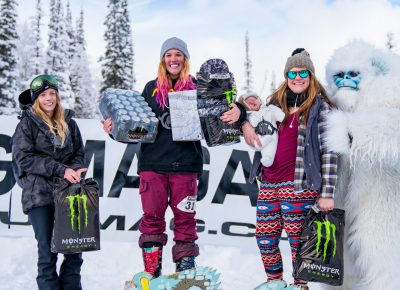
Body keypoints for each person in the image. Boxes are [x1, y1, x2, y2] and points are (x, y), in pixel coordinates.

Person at [102, 37, 245, 277]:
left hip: (185, 166)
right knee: (152, 219)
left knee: (185, 220)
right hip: (153, 166)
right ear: (162, 60)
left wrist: (239, 109)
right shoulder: (151, 88)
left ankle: (185, 271)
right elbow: (137, 127)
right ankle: (152, 271)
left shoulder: (199, 87)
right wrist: (114, 131)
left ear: (185, 59)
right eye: (168, 55)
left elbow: (224, 106)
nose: (173, 59)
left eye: (178, 54)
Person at [242, 49, 338, 290]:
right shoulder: (274, 104)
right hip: (269, 183)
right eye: (292, 73)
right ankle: (274, 282)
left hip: (300, 185)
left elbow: (330, 151)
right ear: (286, 76)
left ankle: (299, 285)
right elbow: (247, 113)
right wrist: (244, 121)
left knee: (298, 241)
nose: (298, 77)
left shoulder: (320, 108)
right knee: (265, 238)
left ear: (311, 75)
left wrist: (327, 191)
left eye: (303, 72)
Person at [12, 74, 87, 290]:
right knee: (48, 252)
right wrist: (60, 169)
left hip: (69, 194)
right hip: (39, 195)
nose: (49, 99)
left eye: (52, 94)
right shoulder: (27, 124)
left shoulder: (69, 123)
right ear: (36, 99)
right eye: (43, 95)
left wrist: (75, 169)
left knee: (75, 251)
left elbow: (79, 153)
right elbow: (24, 158)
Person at [238, 91, 285, 167]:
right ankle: (262, 147)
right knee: (258, 141)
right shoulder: (250, 116)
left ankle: (268, 158)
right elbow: (253, 122)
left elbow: (282, 116)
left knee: (271, 145)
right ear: (246, 107)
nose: (252, 102)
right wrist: (257, 114)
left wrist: (280, 115)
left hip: (272, 133)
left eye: (254, 99)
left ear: (259, 100)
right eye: (249, 102)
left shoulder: (269, 109)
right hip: (259, 136)